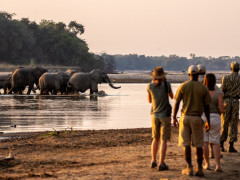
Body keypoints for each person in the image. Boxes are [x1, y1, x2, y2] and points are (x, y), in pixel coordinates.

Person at [173, 65, 211, 177]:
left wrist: (174, 117)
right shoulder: (203, 88)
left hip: (185, 117)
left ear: (189, 74)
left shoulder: (183, 86)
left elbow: (177, 103)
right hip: (197, 118)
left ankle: (189, 167)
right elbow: (207, 107)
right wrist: (208, 121)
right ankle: (199, 168)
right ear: (198, 75)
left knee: (186, 144)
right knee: (198, 144)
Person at [147, 66, 173, 171]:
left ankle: (153, 160)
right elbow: (171, 96)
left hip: (154, 115)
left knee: (155, 139)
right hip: (165, 115)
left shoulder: (149, 86)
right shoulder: (167, 84)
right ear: (163, 76)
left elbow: (149, 101)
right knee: (164, 140)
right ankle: (161, 163)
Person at [197, 64, 223, 159]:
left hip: (202, 115)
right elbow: (220, 93)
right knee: (214, 139)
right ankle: (214, 155)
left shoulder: (196, 81)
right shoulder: (209, 81)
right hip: (214, 114)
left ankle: (205, 162)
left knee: (204, 140)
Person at [202, 73, 224, 172]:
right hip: (215, 117)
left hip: (203, 118)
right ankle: (218, 165)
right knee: (215, 142)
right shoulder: (218, 93)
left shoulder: (202, 92)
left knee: (205, 142)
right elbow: (222, 109)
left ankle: (207, 164)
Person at [220, 61, 240, 152]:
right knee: (234, 123)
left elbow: (222, 90)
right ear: (238, 69)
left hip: (226, 101)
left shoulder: (226, 77)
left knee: (224, 122)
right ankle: (231, 145)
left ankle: (221, 144)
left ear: (231, 68)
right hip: (235, 101)